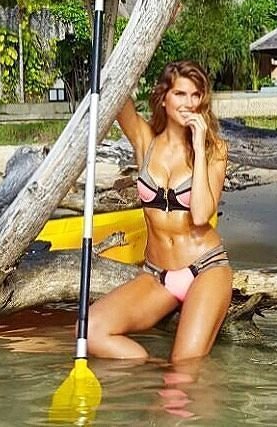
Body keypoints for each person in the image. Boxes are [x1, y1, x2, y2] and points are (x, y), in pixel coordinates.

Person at [87, 60, 232, 362]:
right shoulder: (145, 141)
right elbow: (115, 91)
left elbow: (201, 215)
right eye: (180, 94)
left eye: (195, 95)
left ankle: (173, 378)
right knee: (91, 331)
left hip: (205, 268)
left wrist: (199, 146)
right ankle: (151, 372)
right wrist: (122, 56)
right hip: (156, 275)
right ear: (163, 98)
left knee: (183, 366)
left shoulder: (214, 150)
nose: (189, 103)